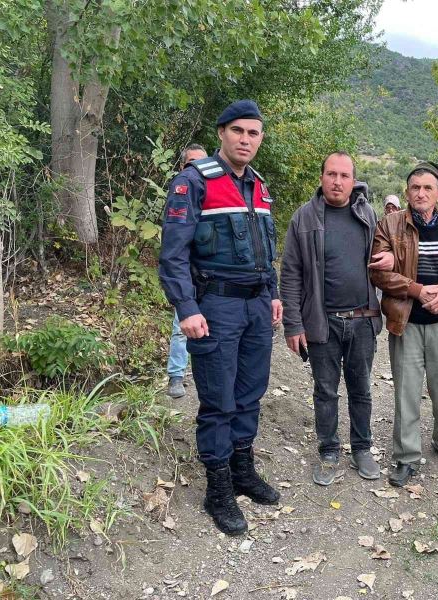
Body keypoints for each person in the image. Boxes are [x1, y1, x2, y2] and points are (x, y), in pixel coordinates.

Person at [159, 100, 283, 536]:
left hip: (255, 307)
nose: (246, 139)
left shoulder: (260, 188)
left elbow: (266, 252)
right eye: (238, 132)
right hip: (215, 308)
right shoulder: (193, 183)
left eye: (253, 133)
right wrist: (187, 308)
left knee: (251, 393)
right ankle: (218, 489)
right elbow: (172, 256)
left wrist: (271, 294)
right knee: (219, 400)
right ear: (222, 134)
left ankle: (243, 471)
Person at [280, 152, 394, 486]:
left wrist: (389, 257)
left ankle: (362, 447)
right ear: (321, 177)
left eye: (344, 175)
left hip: (362, 320)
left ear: (353, 180)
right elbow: (290, 274)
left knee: (361, 388)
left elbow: (383, 254)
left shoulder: (367, 214)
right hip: (322, 322)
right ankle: (329, 450)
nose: (337, 181)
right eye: (331, 174)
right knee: (326, 390)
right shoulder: (303, 218)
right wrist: (293, 323)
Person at [370, 161, 438, 487]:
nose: (420, 193)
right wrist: (417, 290)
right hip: (408, 321)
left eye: (427, 188)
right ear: (407, 192)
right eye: (415, 187)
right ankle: (406, 457)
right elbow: (378, 272)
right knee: (407, 391)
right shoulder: (388, 225)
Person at [167, 144, 208, 399]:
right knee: (180, 325)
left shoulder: (215, 191)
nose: (196, 167)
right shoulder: (179, 191)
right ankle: (176, 375)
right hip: (186, 274)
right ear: (183, 165)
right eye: (191, 162)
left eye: (201, 162)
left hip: (211, 275)